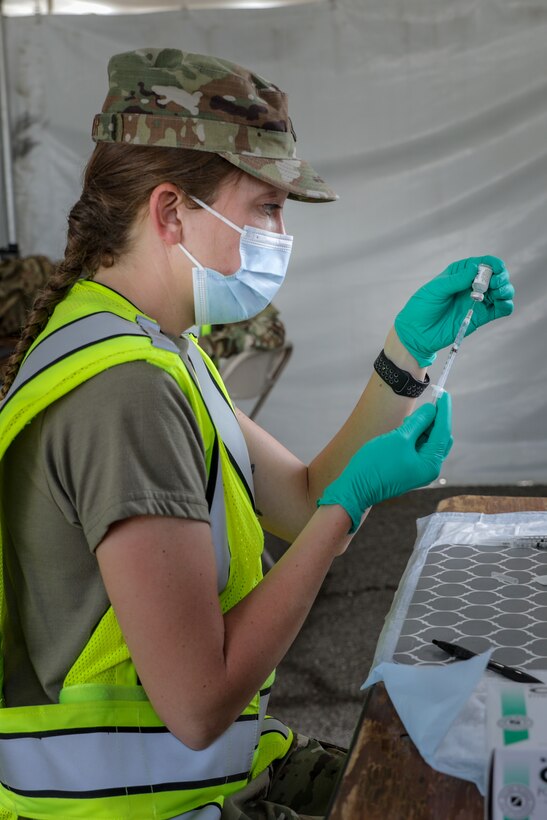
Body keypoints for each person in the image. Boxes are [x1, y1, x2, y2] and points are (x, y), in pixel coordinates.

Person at [0, 48, 514, 820]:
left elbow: (301, 501)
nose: (282, 235)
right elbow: (200, 703)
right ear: (170, 211)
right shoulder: (127, 393)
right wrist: (350, 506)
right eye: (266, 208)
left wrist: (405, 356)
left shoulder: (157, 349)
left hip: (202, 778)